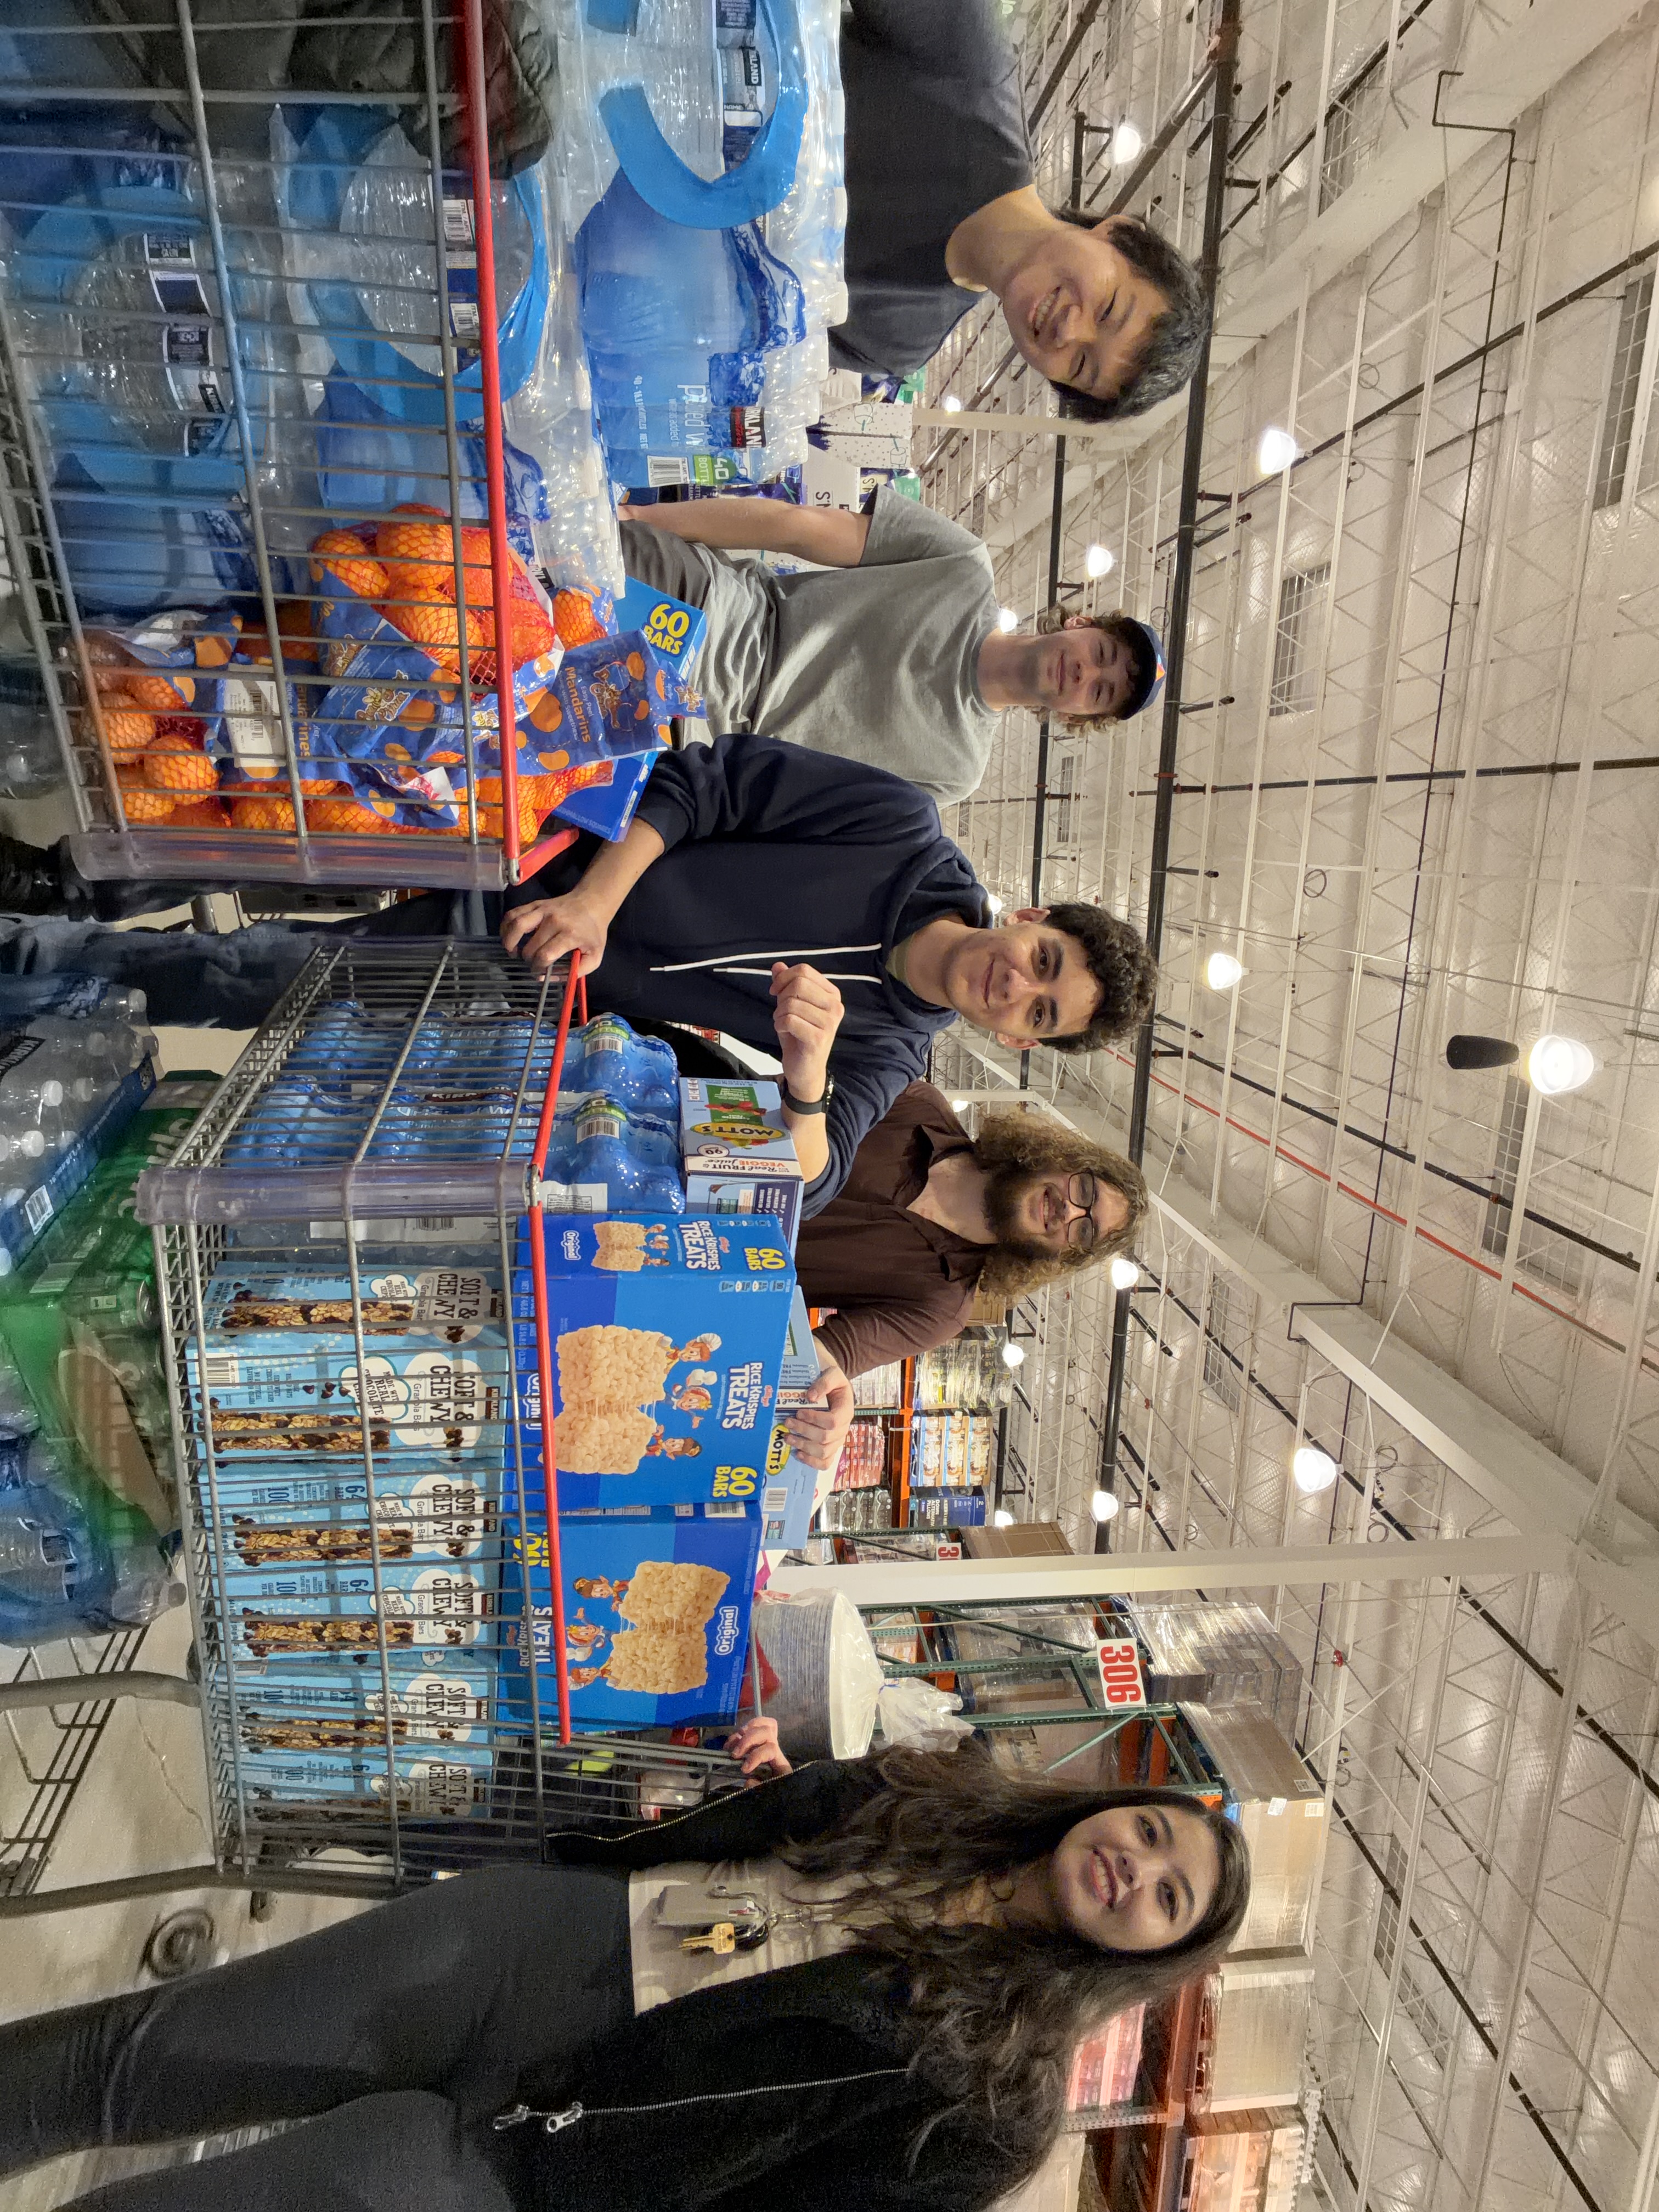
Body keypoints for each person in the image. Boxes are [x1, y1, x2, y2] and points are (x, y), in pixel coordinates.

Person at [0, 1730, 1251, 2212]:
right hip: (541, 1950)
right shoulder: (945, 1795)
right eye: (1150, 1831)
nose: (1135, 1868)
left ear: (1154, 1955)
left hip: (552, 2161)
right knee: (136, 2057)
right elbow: (757, 1843)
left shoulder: (998, 2101)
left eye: (1168, 1897)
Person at [617, 489, 1166, 803]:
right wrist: (639, 518)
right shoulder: (961, 564)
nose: (1086, 674)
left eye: (1101, 692)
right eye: (1102, 654)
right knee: (573, 571)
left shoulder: (957, 772)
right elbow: (794, 526)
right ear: (1081, 622)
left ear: (1077, 716)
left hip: (694, 745)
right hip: (709, 610)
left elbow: (814, 807)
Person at [832, 0, 1210, 416]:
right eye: (1108, 310)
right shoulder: (970, 63)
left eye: (1081, 366)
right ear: (1118, 233)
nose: (1069, 330)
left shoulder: (897, 342)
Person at [799, 1083, 1149, 1379]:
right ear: (1064, 1159)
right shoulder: (919, 1108)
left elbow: (829, 1357)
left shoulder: (939, 1308)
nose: (1069, 1211)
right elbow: (791, 1092)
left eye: (1085, 1231)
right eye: (1085, 1190)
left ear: (1065, 1254)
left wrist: (830, 1395)